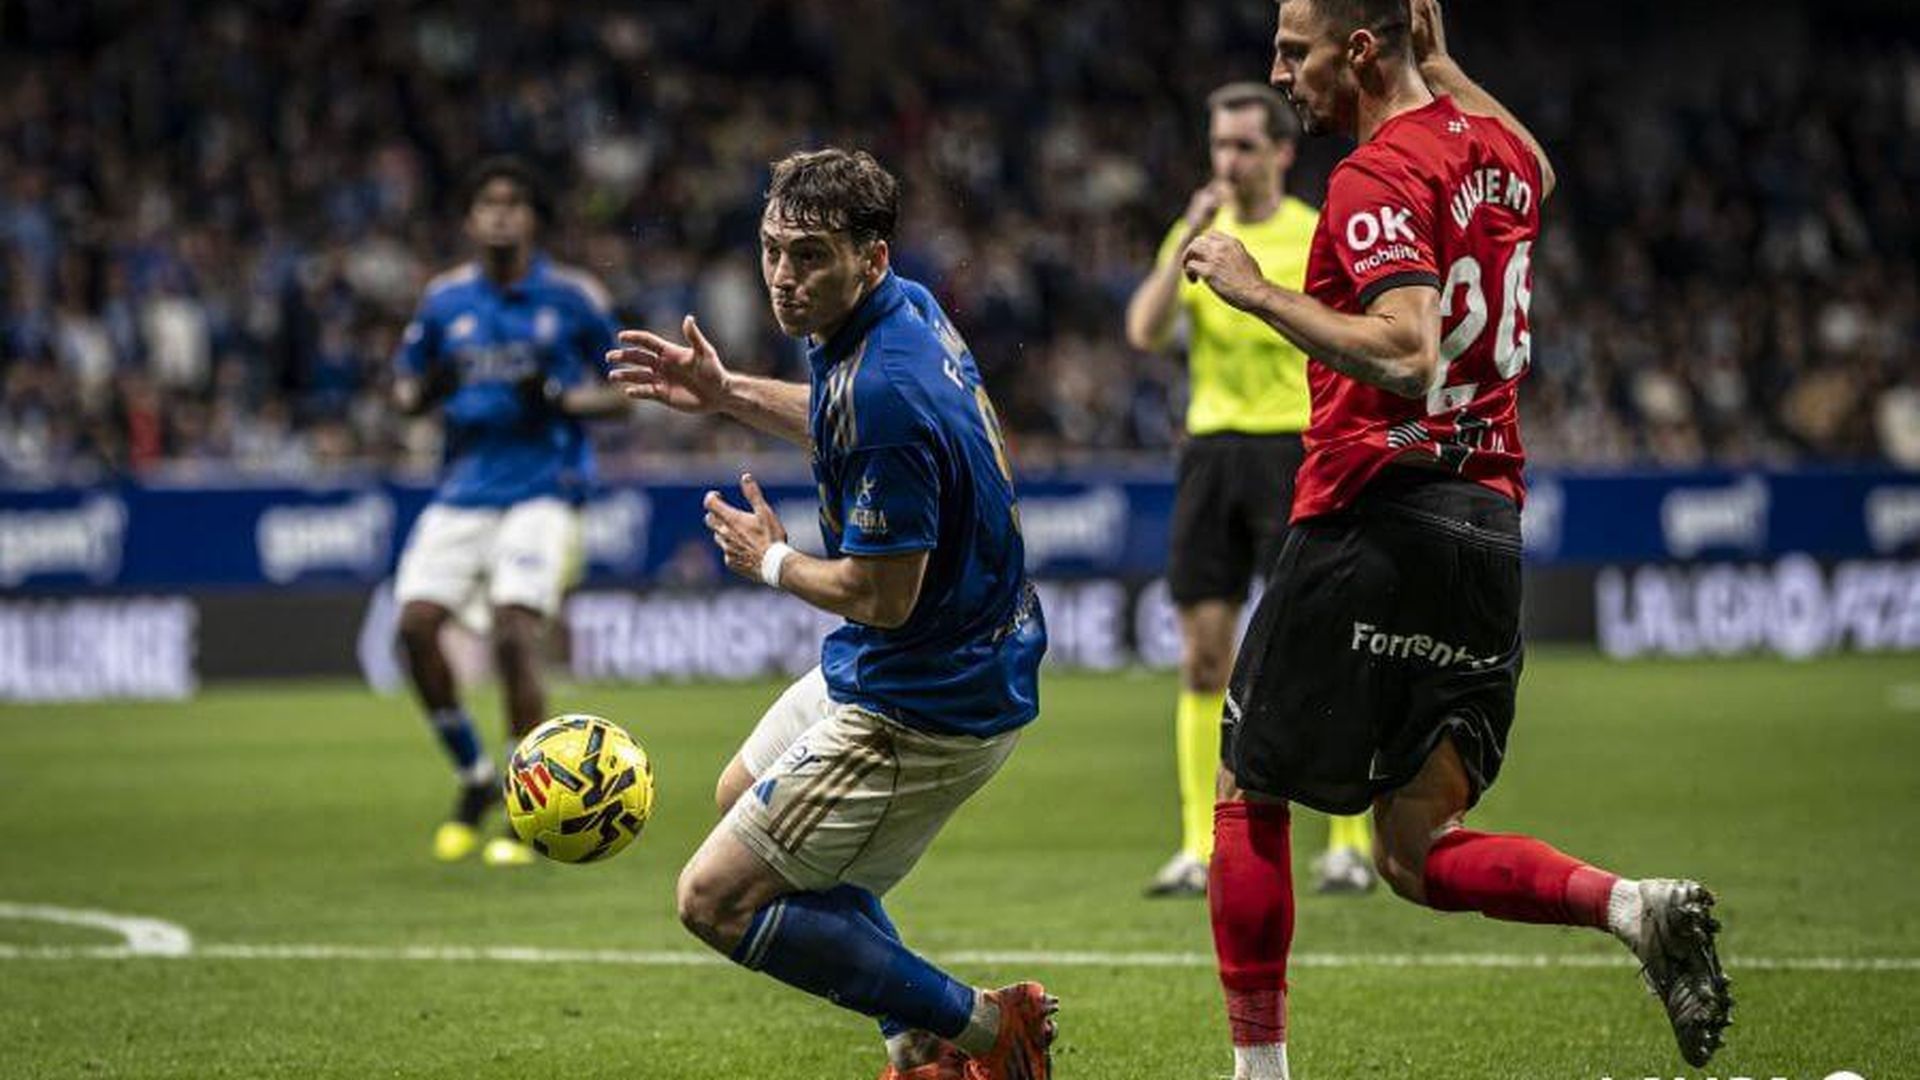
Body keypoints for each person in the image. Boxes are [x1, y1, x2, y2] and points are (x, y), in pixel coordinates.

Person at [1177, 1, 1734, 1075]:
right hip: (1486, 531)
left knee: (1250, 789)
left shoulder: (1373, 175)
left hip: (1373, 512)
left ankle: (1259, 1073)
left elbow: (1406, 352)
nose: (1281, 73)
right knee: (1411, 847)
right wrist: (1447, 65)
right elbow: (1538, 169)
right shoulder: (1494, 152)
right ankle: (1631, 907)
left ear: (1359, 49)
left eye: (1294, 50)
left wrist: (1255, 290)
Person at [607, 148, 1057, 1080]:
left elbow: (883, 598)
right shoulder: (902, 310)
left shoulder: (884, 393)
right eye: (772, 249)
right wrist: (726, 393)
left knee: (712, 900)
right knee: (740, 797)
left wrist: (768, 560)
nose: (783, 276)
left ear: (871, 256)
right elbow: (833, 411)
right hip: (939, 654)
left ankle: (987, 1030)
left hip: (926, 701)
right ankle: (917, 1043)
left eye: (809, 256)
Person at [1125, 81, 1376, 899]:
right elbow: (1145, 331)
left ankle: (1349, 842)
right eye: (1219, 145)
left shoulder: (1314, 232)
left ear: (1281, 152)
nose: (1228, 161)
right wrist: (1185, 235)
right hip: (1212, 454)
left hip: (1297, 449)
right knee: (1204, 655)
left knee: (1322, 648)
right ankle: (1199, 847)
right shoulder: (1199, 232)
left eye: (1243, 145)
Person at [390, 155, 629, 867]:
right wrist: (425, 392)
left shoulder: (573, 297)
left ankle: (528, 809)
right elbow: (405, 390)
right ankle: (474, 776)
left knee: (513, 632)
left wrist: (561, 399)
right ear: (470, 219)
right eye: (486, 202)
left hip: (543, 489)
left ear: (532, 219)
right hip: (463, 490)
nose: (499, 213)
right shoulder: (443, 301)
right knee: (414, 626)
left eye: (512, 202)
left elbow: (625, 391)